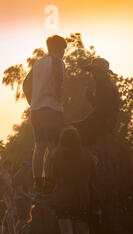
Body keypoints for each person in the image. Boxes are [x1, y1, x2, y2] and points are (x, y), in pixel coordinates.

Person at [47, 126, 96, 234]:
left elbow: (53, 178)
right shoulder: (87, 156)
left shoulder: (56, 157)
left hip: (63, 200)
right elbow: (94, 172)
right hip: (82, 199)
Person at [23, 35, 67, 194]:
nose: (63, 54)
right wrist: (59, 97)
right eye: (62, 50)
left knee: (39, 146)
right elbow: (58, 82)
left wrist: (32, 101)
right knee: (52, 147)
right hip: (52, 109)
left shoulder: (38, 63)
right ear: (57, 49)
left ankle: (37, 182)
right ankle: (49, 180)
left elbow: (25, 84)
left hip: (36, 110)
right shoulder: (58, 63)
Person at [76, 58, 121, 146]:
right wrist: (91, 99)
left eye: (96, 71)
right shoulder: (102, 84)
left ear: (104, 73)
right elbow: (100, 107)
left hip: (104, 124)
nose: (93, 74)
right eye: (92, 71)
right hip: (103, 121)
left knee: (76, 135)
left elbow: (100, 112)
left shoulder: (105, 87)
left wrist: (83, 122)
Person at [13, 161, 33, 234]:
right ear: (23, 168)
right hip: (20, 200)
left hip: (24, 199)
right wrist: (29, 197)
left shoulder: (24, 175)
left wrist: (30, 194)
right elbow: (19, 191)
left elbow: (25, 189)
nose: (28, 170)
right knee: (22, 219)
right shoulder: (18, 176)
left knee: (26, 218)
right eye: (27, 168)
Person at [0, 160, 17, 234]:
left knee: (6, 217)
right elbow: (8, 187)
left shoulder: (1, 173)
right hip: (7, 197)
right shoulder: (6, 174)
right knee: (10, 217)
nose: (12, 167)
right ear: (7, 165)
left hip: (3, 197)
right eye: (11, 166)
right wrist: (12, 198)